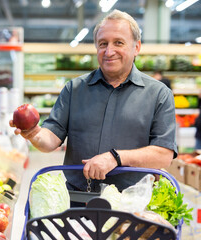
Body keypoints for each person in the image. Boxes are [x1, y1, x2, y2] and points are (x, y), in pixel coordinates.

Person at [10, 9, 177, 193]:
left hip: (134, 204)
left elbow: (163, 155)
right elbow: (50, 140)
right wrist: (34, 133)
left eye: (119, 43)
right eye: (103, 43)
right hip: (77, 201)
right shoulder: (74, 89)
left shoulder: (159, 94)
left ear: (136, 47)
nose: (109, 51)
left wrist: (115, 158)